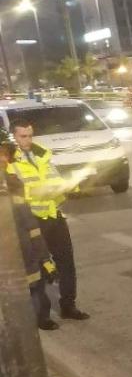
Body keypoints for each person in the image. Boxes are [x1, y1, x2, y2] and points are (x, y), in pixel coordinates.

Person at [5, 117, 89, 323]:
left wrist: (73, 185)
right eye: (23, 136)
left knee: (66, 262)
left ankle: (68, 305)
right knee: (40, 267)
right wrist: (40, 191)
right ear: (13, 136)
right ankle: (42, 315)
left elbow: (56, 180)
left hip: (53, 214)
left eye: (30, 135)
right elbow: (15, 193)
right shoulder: (9, 161)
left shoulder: (42, 154)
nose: (28, 140)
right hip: (32, 220)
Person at [0, 128, 57, 330]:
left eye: (5, 154)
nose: (3, 159)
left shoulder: (14, 184)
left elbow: (30, 225)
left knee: (36, 287)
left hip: (24, 252)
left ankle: (41, 318)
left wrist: (45, 258)